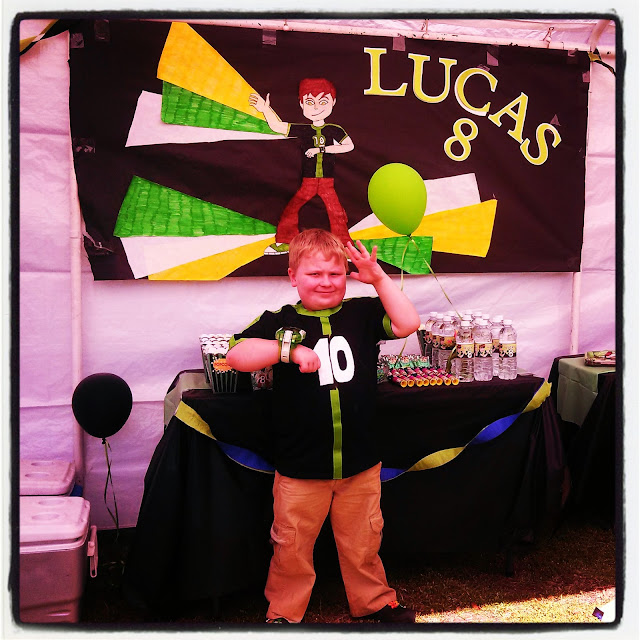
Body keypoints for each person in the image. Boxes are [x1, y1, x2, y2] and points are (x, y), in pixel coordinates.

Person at [226, 229, 421, 624]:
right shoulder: (279, 321)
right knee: (292, 545)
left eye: (335, 273)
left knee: (364, 539)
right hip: (300, 465)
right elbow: (236, 356)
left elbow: (408, 324)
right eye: (314, 274)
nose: (326, 282)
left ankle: (374, 601)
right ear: (293, 276)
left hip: (360, 462)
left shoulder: (363, 313)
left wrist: (379, 278)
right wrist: (288, 350)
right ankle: (284, 612)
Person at [249, 78, 354, 253]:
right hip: (308, 180)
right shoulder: (304, 130)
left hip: (326, 181)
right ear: (301, 104)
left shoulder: (334, 130)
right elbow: (277, 126)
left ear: (333, 102)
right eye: (310, 102)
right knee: (293, 208)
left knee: (336, 212)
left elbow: (349, 146)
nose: (316, 107)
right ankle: (285, 241)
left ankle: (345, 246)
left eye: (323, 102)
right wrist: (265, 110)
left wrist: (321, 149)